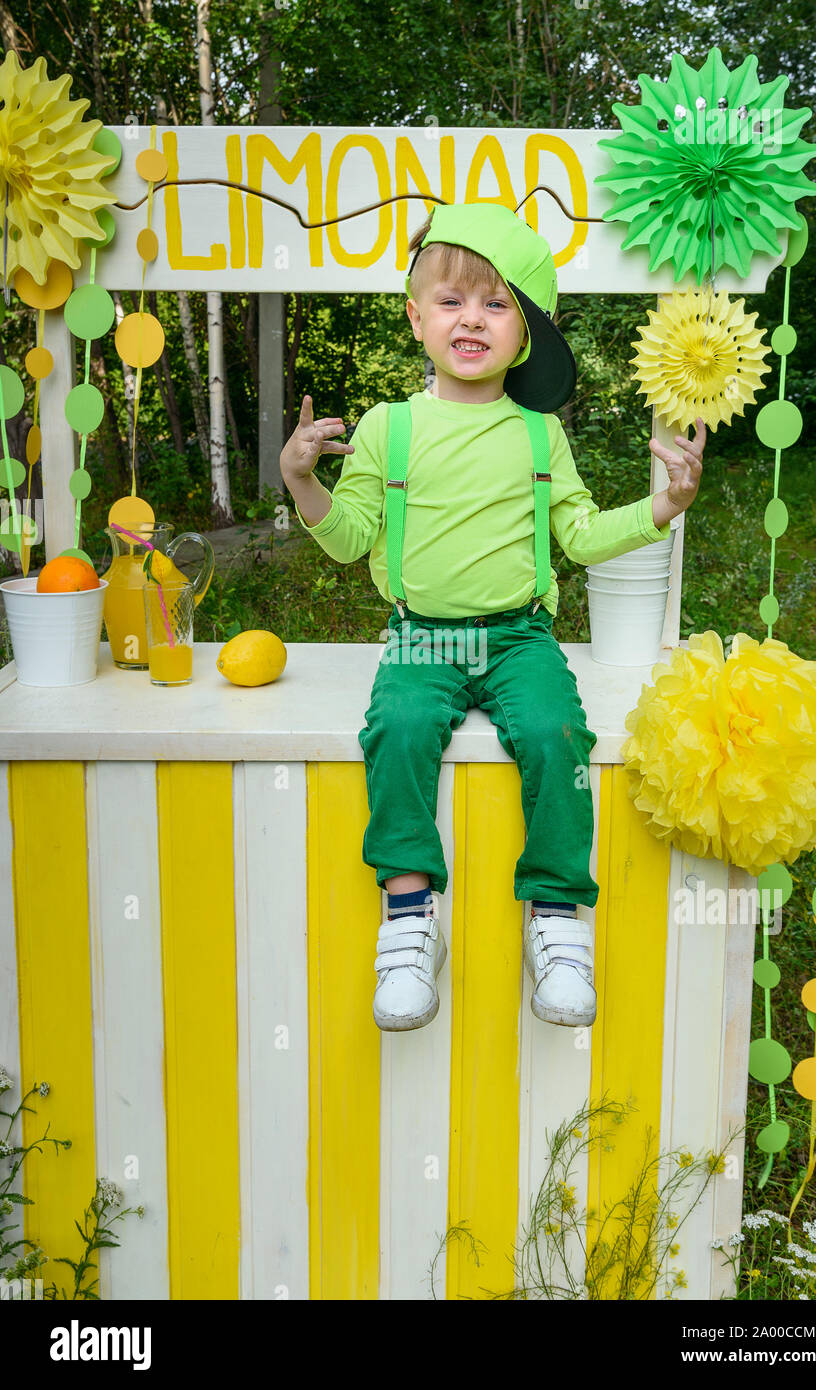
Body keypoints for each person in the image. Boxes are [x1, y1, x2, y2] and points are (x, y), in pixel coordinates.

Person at [279, 201, 705, 1035]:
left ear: (525, 336)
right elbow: (349, 539)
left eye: (497, 303)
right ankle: (409, 922)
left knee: (558, 736)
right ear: (416, 318)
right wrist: (301, 482)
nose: (472, 317)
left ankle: (556, 918)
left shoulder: (540, 433)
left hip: (519, 636)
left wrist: (662, 506)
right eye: (452, 299)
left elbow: (578, 534)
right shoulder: (388, 427)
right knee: (397, 727)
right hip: (422, 634)